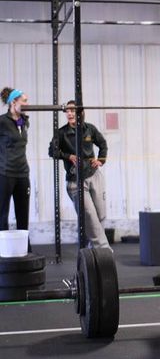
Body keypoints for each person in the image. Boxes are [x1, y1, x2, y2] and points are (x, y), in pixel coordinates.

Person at [48, 100, 111, 249]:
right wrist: (68, 156)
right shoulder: (61, 133)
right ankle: (104, 249)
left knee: (101, 215)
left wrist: (101, 160)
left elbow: (103, 144)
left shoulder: (90, 129)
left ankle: (92, 249)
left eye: (72, 110)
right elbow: (52, 151)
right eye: (67, 111)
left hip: (94, 175)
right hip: (76, 181)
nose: (69, 113)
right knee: (90, 217)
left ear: (80, 113)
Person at [0, 87, 32, 252]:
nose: (27, 104)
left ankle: (24, 248)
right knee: (2, 214)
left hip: (22, 174)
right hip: (5, 173)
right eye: (24, 101)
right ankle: (3, 249)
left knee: (23, 214)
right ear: (13, 102)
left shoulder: (25, 121)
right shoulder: (2, 121)